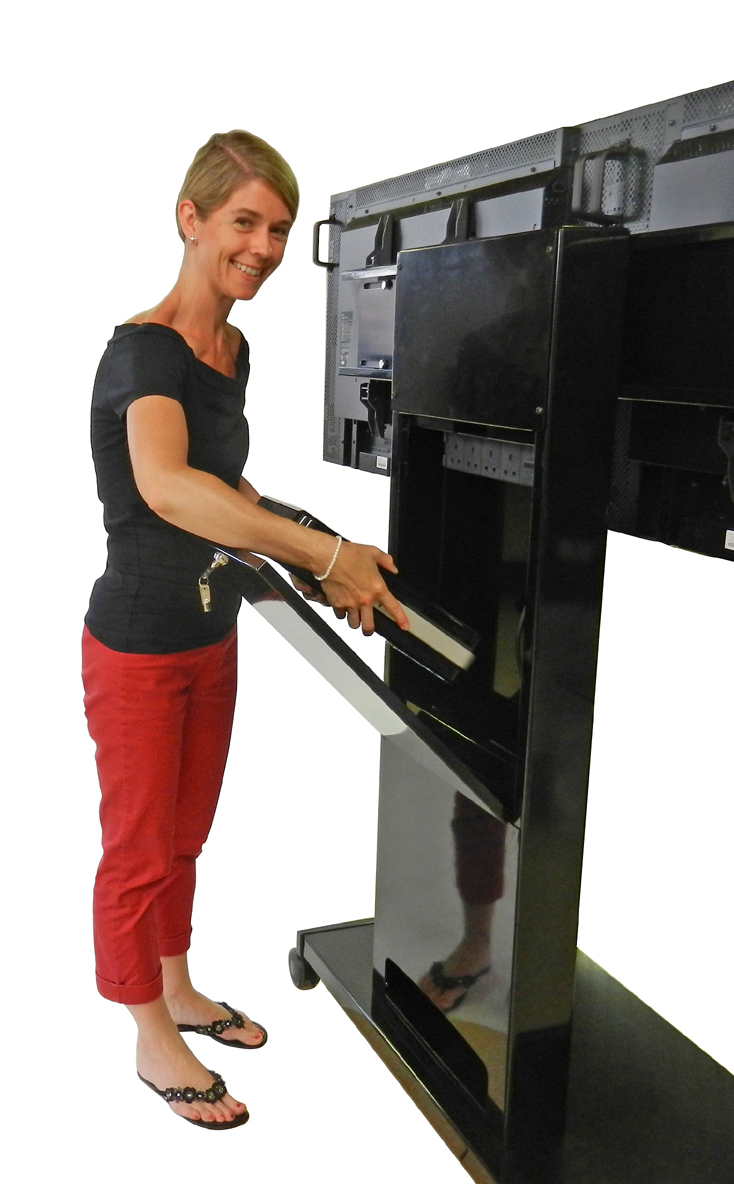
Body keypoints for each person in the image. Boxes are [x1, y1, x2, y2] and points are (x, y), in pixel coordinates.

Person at [82, 130, 409, 1130]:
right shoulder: (144, 351)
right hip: (137, 645)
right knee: (139, 849)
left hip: (210, 632)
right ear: (190, 219)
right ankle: (150, 1035)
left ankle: (178, 986)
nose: (263, 247)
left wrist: (328, 549)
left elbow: (228, 487)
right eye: (243, 222)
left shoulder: (232, 349)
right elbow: (168, 487)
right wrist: (320, 555)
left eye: (277, 228)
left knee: (185, 836)